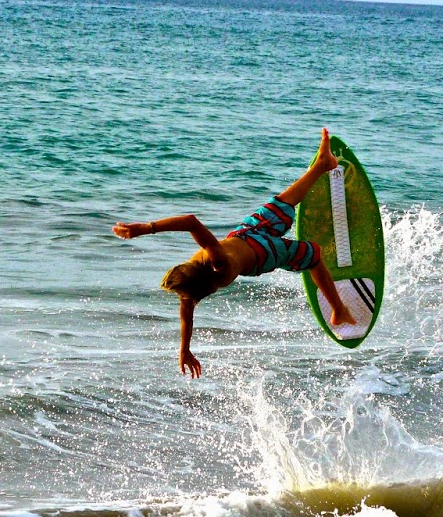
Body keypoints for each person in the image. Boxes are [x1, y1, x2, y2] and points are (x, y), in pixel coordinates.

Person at [113, 129, 357, 378]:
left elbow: (186, 318)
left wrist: (184, 350)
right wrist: (146, 228)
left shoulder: (196, 286)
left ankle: (322, 165)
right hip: (264, 254)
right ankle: (338, 309)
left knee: (283, 203)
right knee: (313, 255)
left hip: (248, 233)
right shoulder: (218, 263)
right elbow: (191, 222)